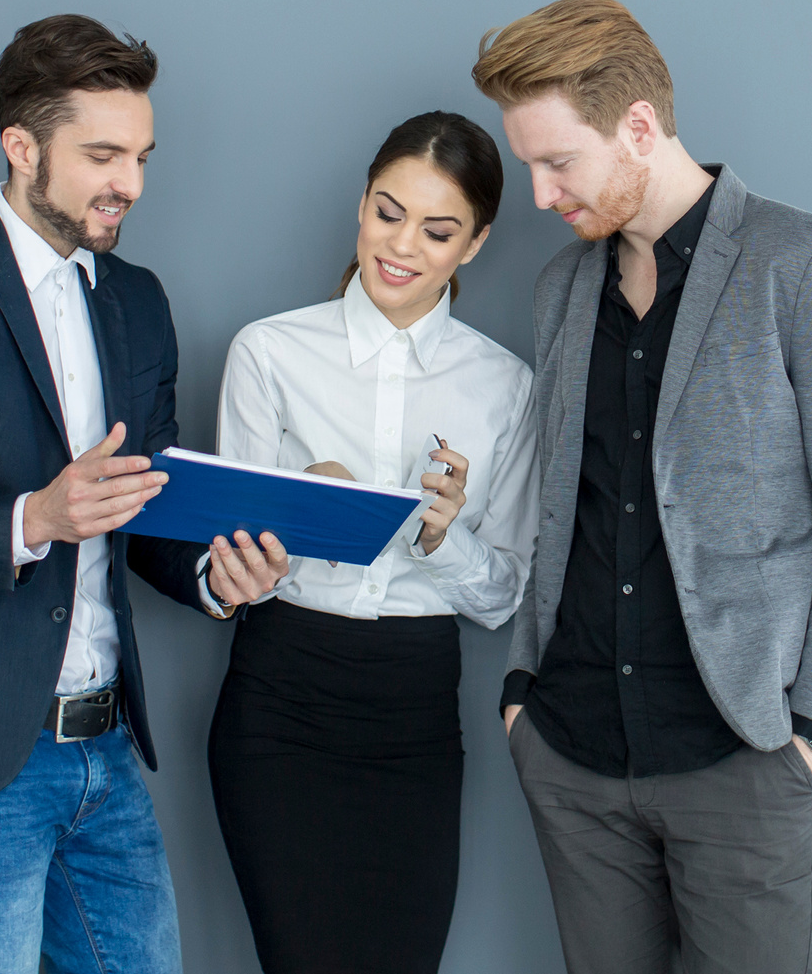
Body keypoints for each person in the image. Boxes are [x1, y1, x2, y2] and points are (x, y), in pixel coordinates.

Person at [0, 14, 287, 974]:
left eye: (144, 155)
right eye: (104, 154)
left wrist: (215, 577)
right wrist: (35, 518)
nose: (133, 184)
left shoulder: (138, 299)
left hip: (106, 751)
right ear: (21, 146)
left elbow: (143, 509)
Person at [471, 0, 812, 974]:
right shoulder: (560, 289)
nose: (541, 195)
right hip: (572, 751)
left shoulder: (806, 264)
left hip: (743, 755)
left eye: (558, 161)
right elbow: (561, 508)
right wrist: (520, 695)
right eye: (529, 166)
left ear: (638, 126)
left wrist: (811, 735)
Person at [206, 110, 542, 974]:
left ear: (474, 244)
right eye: (387, 212)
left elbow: (505, 596)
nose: (402, 245)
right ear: (361, 202)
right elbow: (228, 563)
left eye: (438, 230)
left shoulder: (505, 386)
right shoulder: (269, 352)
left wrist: (441, 535)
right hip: (279, 699)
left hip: (413, 711)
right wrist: (293, 519)